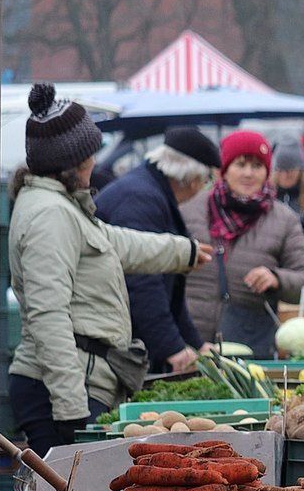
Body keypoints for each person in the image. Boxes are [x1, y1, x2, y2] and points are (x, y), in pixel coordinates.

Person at [8, 84, 210, 455]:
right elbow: (47, 314)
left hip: (81, 385)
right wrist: (71, 409)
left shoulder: (64, 207)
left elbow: (117, 243)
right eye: (89, 156)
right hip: (64, 393)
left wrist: (184, 251)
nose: (94, 165)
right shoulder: (49, 216)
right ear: (69, 163)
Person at [94, 127, 220, 374]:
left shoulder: (149, 191)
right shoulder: (140, 199)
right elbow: (143, 283)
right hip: (112, 349)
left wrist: (194, 343)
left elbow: (169, 289)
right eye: (206, 181)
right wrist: (171, 347)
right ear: (193, 179)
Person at [182, 131, 304, 356]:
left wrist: (277, 278)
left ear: (267, 171)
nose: (248, 173)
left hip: (250, 346)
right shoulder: (189, 211)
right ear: (224, 169)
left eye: (257, 166)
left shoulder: (283, 220)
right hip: (192, 341)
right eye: (240, 164)